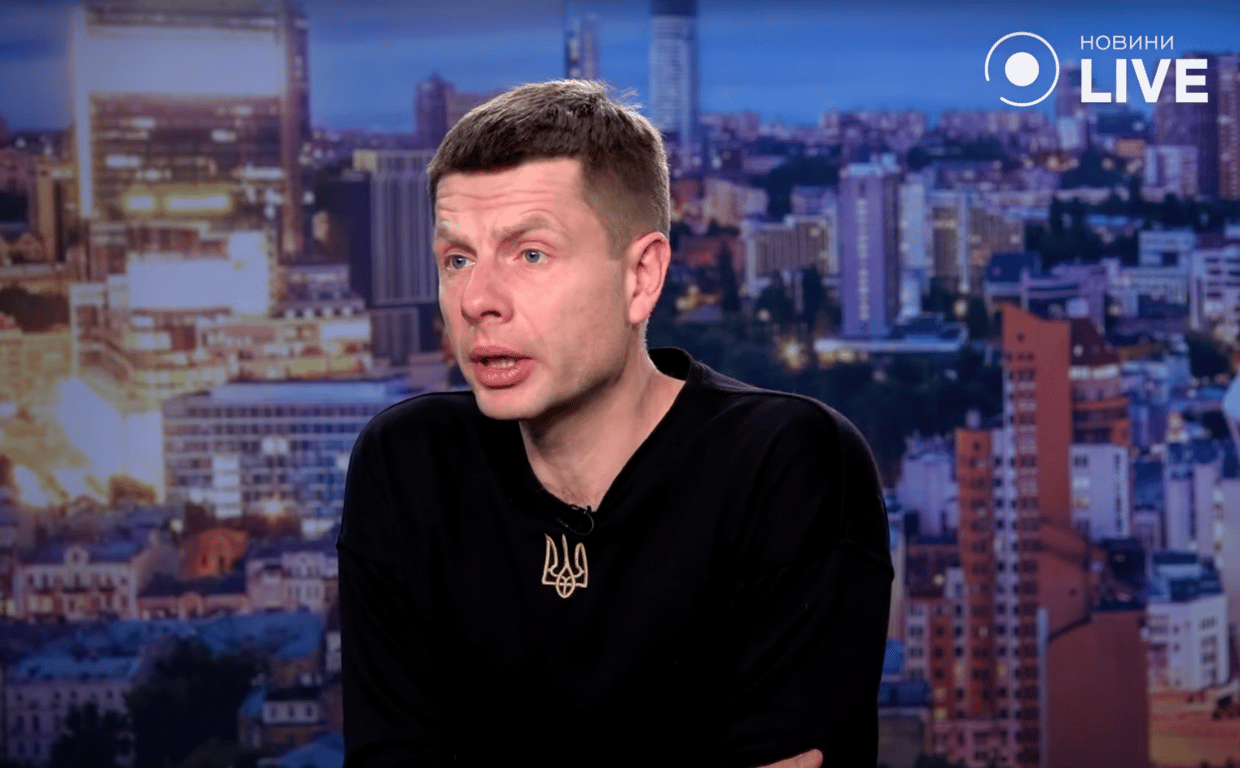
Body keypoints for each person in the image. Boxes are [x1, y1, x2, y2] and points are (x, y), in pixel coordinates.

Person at [337, 79, 894, 768]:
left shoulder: (785, 465)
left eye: (531, 254)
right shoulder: (409, 465)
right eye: (457, 259)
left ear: (641, 277)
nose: (477, 300)